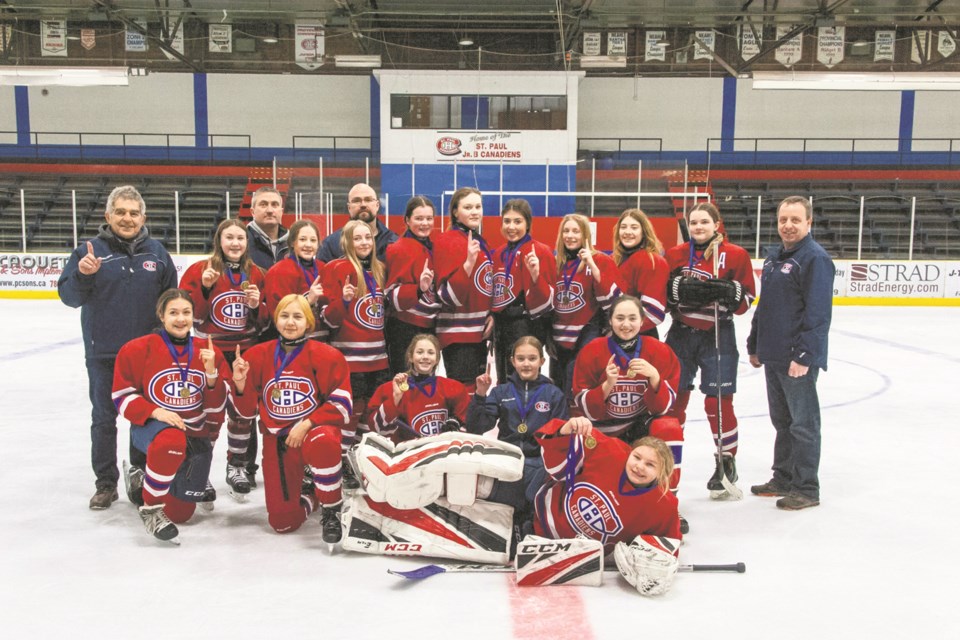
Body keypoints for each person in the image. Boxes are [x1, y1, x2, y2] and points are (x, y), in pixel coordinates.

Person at [58, 185, 178, 510]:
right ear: (108, 215)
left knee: (144, 418)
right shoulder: (90, 252)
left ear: (144, 217)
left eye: (133, 213)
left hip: (146, 357)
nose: (127, 218)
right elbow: (69, 298)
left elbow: (171, 303)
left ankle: (139, 475)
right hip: (104, 354)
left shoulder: (157, 254)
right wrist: (83, 275)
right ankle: (106, 483)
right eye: (121, 212)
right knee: (103, 419)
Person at [112, 289, 232, 543]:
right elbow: (121, 397)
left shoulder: (209, 351)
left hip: (194, 435)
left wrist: (212, 375)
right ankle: (152, 509)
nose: (181, 319)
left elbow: (218, 406)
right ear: (161, 316)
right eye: (173, 313)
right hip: (153, 430)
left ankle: (140, 479)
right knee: (171, 442)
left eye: (186, 313)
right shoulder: (137, 349)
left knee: (180, 514)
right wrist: (155, 411)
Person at [231, 294, 353, 542]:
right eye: (284, 316)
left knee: (325, 440)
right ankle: (312, 494)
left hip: (312, 434)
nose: (290, 322)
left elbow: (342, 405)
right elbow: (244, 413)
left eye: (297, 316)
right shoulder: (256, 355)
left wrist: (307, 423)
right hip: (277, 441)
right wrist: (240, 383)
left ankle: (332, 507)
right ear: (276, 321)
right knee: (282, 523)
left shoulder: (327, 355)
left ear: (308, 322)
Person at [747, 196, 834, 511]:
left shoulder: (814, 259)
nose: (788, 225)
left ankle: (806, 487)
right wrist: (755, 343)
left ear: (808, 222)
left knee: (803, 424)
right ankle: (783, 477)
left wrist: (804, 356)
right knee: (782, 421)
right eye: (783, 219)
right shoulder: (774, 258)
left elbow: (818, 315)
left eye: (795, 220)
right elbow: (766, 306)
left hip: (797, 359)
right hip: (773, 354)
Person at [664, 203, 756, 497]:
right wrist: (676, 290)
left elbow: (745, 304)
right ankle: (668, 462)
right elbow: (664, 297)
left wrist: (733, 293)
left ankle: (726, 463)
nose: (699, 227)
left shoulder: (736, 255)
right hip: (681, 334)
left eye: (705, 221)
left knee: (718, 403)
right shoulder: (676, 254)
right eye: (694, 222)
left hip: (719, 333)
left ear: (717, 224)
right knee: (673, 401)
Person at [180, 218, 266, 498]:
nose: (235, 243)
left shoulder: (257, 273)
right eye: (229, 237)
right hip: (210, 351)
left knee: (243, 412)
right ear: (219, 241)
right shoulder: (199, 270)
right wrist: (204, 289)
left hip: (245, 351)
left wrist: (256, 306)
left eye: (240, 238)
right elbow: (191, 316)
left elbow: (263, 323)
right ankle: (201, 471)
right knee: (209, 412)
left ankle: (237, 465)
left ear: (247, 242)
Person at [571, 296, 684, 498]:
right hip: (604, 432)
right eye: (620, 318)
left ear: (642, 321)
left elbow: (663, 409)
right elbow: (586, 409)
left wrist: (655, 378)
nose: (626, 324)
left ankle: (668, 500)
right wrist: (607, 385)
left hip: (639, 428)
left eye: (632, 318)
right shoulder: (592, 350)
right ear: (610, 320)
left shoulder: (660, 351)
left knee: (669, 428)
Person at [532, 416, 681, 553]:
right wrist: (566, 430)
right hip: (540, 523)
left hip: (584, 554)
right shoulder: (608, 450)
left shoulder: (664, 506)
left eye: (650, 465)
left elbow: (669, 544)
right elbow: (554, 444)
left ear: (662, 474)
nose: (639, 466)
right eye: (636, 457)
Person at [467, 336, 568, 530]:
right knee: (507, 508)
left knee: (533, 505)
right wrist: (480, 395)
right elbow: (477, 427)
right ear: (512, 361)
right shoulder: (501, 391)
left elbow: (560, 436)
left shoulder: (553, 394)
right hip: (508, 460)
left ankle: (532, 528)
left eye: (532, 358)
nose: (526, 364)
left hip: (540, 463)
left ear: (542, 361)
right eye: (521, 359)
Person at [320, 219, 391, 484]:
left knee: (368, 415)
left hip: (378, 359)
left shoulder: (379, 269)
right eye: (357, 238)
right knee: (349, 414)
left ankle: (357, 460)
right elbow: (327, 320)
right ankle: (340, 462)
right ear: (346, 242)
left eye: (367, 238)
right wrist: (344, 301)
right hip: (350, 361)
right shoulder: (336, 269)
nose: (364, 243)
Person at [550, 213, 623, 399]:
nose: (570, 235)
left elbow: (613, 302)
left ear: (585, 235)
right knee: (558, 388)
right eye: (566, 231)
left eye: (576, 231)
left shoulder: (600, 260)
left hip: (587, 331)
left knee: (576, 386)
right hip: (559, 335)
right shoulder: (557, 263)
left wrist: (592, 264)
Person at [434, 187, 494, 393]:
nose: (475, 211)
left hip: (478, 333)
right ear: (455, 212)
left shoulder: (478, 241)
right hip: (458, 334)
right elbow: (447, 295)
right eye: (468, 207)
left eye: (478, 206)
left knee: (476, 391)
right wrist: (468, 264)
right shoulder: (447, 241)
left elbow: (485, 285)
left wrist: (492, 314)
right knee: (463, 393)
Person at [490, 199, 556, 383]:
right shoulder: (499, 253)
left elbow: (551, 299)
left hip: (528, 325)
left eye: (517, 221)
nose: (511, 226)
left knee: (524, 379)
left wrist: (536, 277)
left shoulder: (541, 252)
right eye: (507, 221)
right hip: (502, 325)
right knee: (503, 380)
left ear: (528, 224)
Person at [367, 334, 469, 441]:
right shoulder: (390, 389)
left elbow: (467, 423)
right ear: (411, 357)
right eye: (420, 352)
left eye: (431, 353)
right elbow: (377, 429)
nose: (425, 357)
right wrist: (396, 397)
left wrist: (455, 423)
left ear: (437, 359)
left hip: (442, 453)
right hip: (408, 454)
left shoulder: (453, 387)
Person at [384, 196, 440, 375]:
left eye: (429, 218)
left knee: (426, 377)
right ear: (407, 220)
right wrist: (418, 289)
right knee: (404, 379)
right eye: (419, 218)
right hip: (404, 328)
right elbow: (390, 296)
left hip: (430, 326)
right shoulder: (398, 249)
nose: (425, 223)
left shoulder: (435, 248)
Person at [262, 219, 328, 340]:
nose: (308, 245)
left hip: (324, 341)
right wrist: (308, 302)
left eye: (313, 240)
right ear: (292, 242)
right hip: (293, 341)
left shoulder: (325, 269)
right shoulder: (278, 272)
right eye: (302, 239)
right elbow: (277, 314)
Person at [612, 208, 669, 339]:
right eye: (623, 227)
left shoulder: (652, 261)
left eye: (634, 227)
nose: (627, 232)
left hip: (640, 337)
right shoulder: (614, 260)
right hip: (616, 334)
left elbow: (653, 312)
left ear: (644, 232)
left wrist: (620, 329)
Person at [317, 183, 399, 263]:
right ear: (349, 207)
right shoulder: (330, 245)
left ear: (377, 205)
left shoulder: (393, 242)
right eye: (356, 201)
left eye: (368, 200)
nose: (363, 205)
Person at [246, 186, 289, 270]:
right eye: (263, 205)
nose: (269, 210)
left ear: (281, 211)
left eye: (274, 205)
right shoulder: (242, 242)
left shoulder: (293, 243)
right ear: (252, 212)